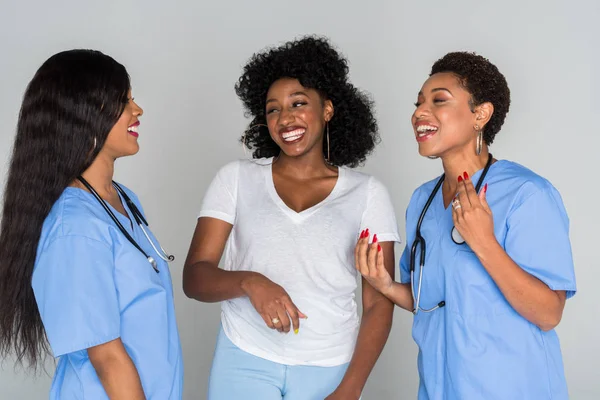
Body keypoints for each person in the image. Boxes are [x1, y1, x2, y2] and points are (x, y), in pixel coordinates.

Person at [183, 35, 400, 400]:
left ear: (327, 109)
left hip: (329, 366)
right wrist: (250, 282)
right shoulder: (236, 179)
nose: (285, 119)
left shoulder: (367, 193)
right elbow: (194, 277)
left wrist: (351, 387)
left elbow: (379, 301)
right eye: (273, 109)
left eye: (298, 104)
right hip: (244, 359)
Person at [356, 51, 576, 399]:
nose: (419, 114)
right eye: (417, 104)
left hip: (513, 388)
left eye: (438, 101)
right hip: (440, 387)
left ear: (481, 114)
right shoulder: (422, 201)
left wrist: (484, 242)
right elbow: (432, 298)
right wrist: (385, 285)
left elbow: (548, 313)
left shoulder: (527, 193)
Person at [0, 50, 183, 399]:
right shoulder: (76, 227)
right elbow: (107, 358)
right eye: (122, 100)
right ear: (82, 113)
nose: (137, 110)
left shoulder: (122, 199)